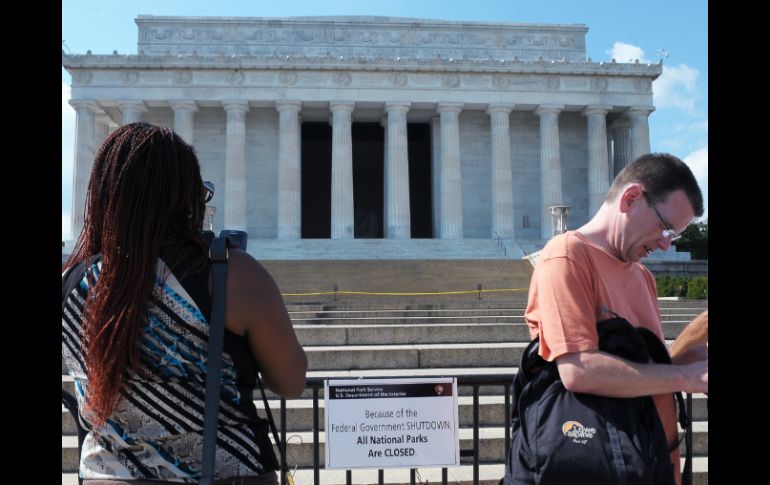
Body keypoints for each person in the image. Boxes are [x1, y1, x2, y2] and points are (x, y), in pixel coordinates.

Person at [62, 122, 308, 484]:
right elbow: (290, 381)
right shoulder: (230, 275)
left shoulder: (73, 285)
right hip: (227, 473)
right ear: (186, 198)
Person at [506, 153, 708, 485]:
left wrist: (688, 361)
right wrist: (688, 377)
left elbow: (641, 371)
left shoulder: (643, 277)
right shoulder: (567, 256)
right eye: (666, 227)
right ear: (631, 198)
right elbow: (578, 370)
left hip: (652, 459)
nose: (666, 244)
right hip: (598, 461)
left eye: (676, 235)